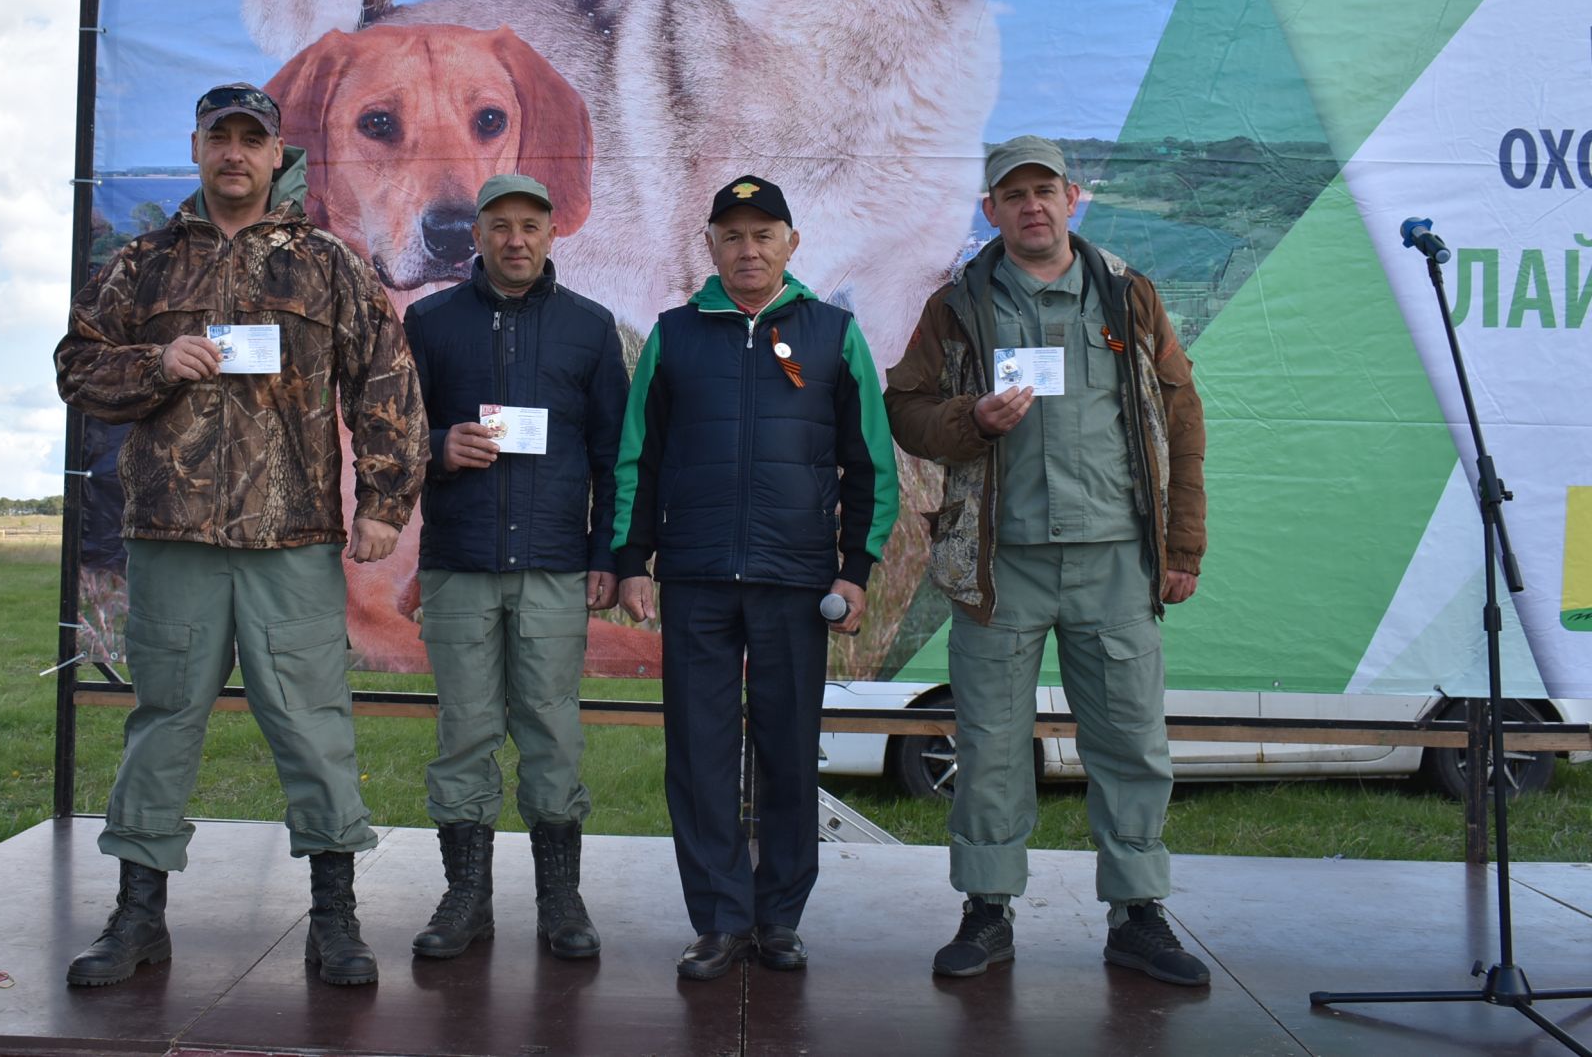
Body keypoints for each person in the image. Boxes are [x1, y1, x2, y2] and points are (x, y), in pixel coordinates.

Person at [54, 82, 427, 988]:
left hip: (291, 542)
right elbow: (77, 367)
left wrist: (384, 499)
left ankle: (334, 919)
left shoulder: (327, 264)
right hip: (172, 537)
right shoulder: (142, 264)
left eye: (249, 140)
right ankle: (138, 916)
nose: (233, 153)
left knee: (313, 727)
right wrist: (154, 362)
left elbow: (387, 378)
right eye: (217, 138)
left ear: (274, 154)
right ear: (194, 149)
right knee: (162, 724)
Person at [883, 135, 1209, 986]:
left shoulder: (1127, 296)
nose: (1030, 205)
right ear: (989, 209)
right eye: (1011, 194)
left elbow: (1180, 418)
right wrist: (972, 420)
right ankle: (986, 911)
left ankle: (1139, 914)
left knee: (1132, 740)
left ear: (1072, 197)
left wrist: (1182, 545)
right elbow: (907, 409)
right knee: (990, 741)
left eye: (1044, 190)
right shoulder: (957, 305)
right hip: (1003, 564)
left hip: (1115, 560)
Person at [614, 175, 899, 981]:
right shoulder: (674, 334)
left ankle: (778, 919)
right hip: (699, 578)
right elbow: (639, 453)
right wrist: (633, 560)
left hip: (795, 581)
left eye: (763, 234)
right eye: (732, 235)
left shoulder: (834, 333)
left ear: (791, 244)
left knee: (785, 753)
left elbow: (869, 463)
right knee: (699, 755)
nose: (748, 248)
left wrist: (855, 569)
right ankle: (717, 920)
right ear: (709, 245)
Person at [400, 172, 629, 961]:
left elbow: (613, 455)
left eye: (532, 224)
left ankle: (560, 898)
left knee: (551, 730)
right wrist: (436, 449)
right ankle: (467, 897)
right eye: (500, 225)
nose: (516, 239)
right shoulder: (430, 323)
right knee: (463, 732)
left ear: (553, 233)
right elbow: (390, 438)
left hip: (554, 566)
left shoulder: (590, 329)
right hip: (460, 563)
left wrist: (608, 555)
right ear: (479, 234)